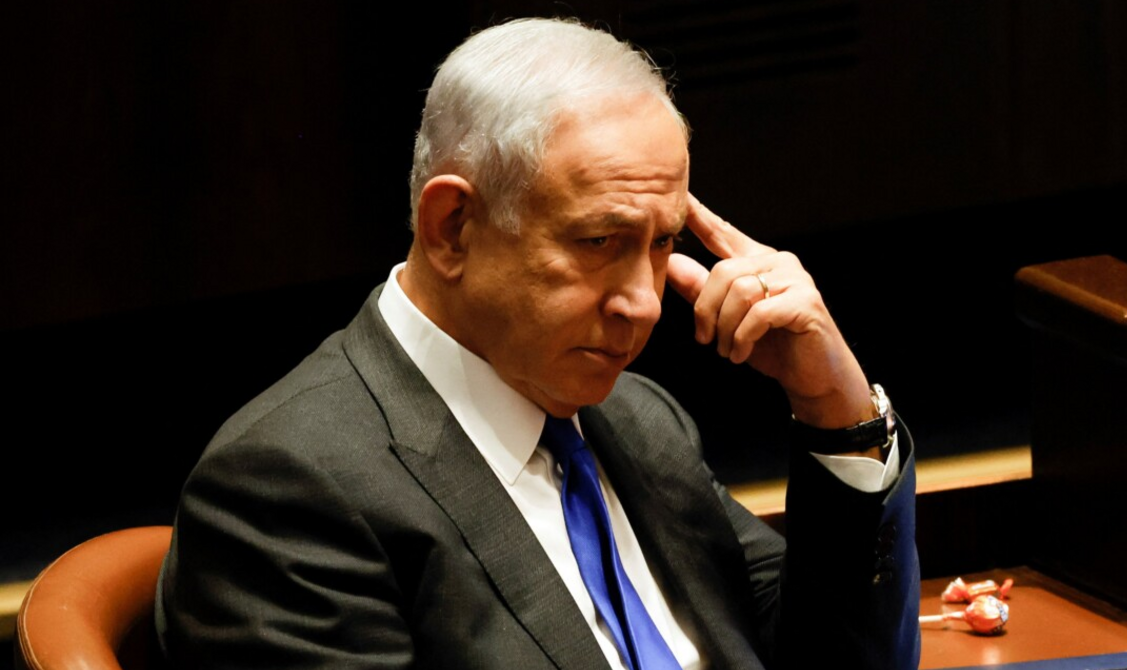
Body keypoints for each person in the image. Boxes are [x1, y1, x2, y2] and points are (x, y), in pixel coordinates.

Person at [156, 17, 919, 670]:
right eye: (598, 241)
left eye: (661, 243)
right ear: (452, 229)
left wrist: (835, 408)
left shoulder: (638, 421)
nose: (643, 303)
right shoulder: (289, 487)